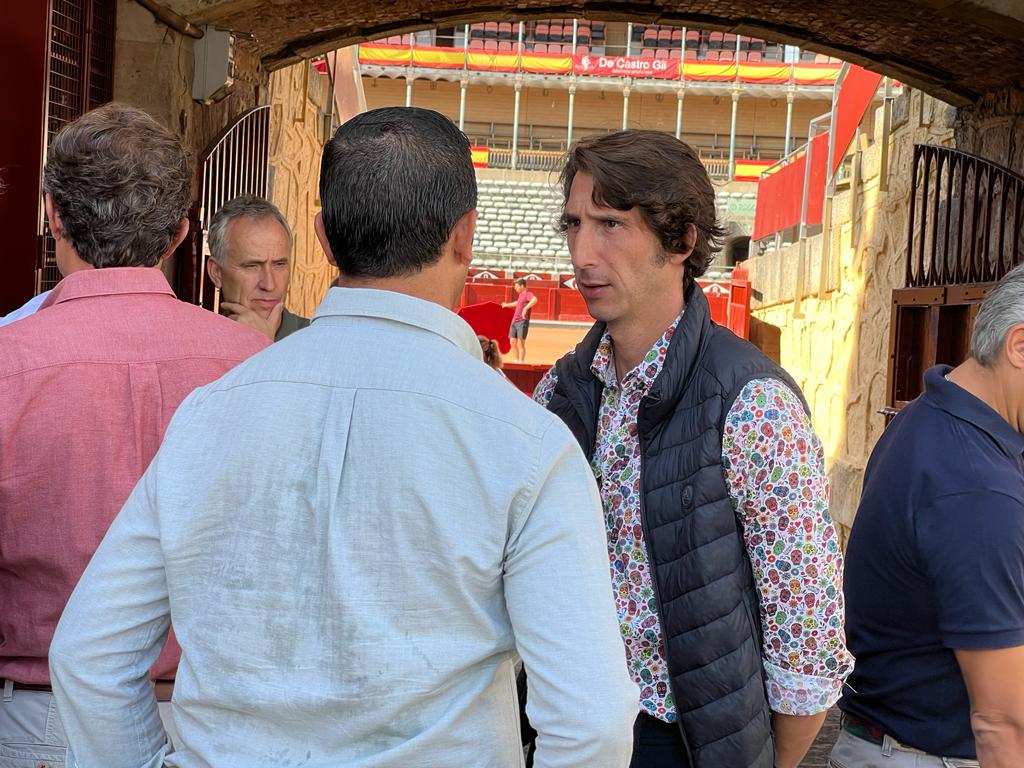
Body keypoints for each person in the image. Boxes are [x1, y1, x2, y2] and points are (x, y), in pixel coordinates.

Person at [49, 106, 639, 768]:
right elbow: (592, 725)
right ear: (464, 237)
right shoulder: (528, 442)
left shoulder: (209, 415)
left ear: (325, 238)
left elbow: (89, 656)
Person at [532, 130, 853, 768]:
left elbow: (806, 636)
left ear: (680, 241)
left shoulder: (753, 404)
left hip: (686, 745)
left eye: (611, 224)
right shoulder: (559, 392)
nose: (582, 253)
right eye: (574, 225)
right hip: (566, 734)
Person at [0, 103, 269, 765]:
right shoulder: (260, 369)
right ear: (181, 234)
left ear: (53, 216)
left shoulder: (8, 364)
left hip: (44, 719)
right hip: (218, 720)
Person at [834, 264, 1024, 768]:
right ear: (1020, 346)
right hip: (925, 754)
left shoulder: (932, 416)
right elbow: (1003, 724)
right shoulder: (976, 485)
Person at [206, 195, 310, 341]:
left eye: (279, 264)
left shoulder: (321, 343)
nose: (269, 285)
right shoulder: (197, 346)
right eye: (252, 266)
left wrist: (261, 344)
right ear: (216, 273)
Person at [502, 276, 538, 362]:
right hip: (515, 320)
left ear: (522, 286)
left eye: (517, 286)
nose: (515, 288)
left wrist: (526, 308)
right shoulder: (521, 295)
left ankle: (521, 362)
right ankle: (516, 360)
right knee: (512, 342)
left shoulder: (528, 294)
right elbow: (517, 303)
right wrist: (507, 305)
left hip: (522, 321)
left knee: (520, 343)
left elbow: (535, 299)